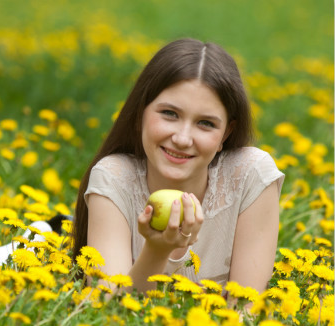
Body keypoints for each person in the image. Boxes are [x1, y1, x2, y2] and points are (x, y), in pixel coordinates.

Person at [72, 38, 284, 295]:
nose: (183, 139)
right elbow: (105, 307)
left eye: (206, 123)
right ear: (140, 114)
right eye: (170, 114)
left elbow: (246, 310)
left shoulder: (251, 175)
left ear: (226, 134)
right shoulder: (114, 177)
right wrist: (157, 250)